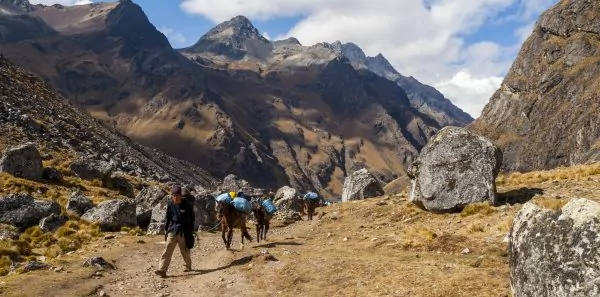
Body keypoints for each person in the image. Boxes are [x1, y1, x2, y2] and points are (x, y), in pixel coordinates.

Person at [155, 185, 195, 278]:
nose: (175, 197)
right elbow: (168, 218)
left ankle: (188, 265)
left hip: (184, 232)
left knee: (185, 251)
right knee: (167, 250)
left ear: (180, 195)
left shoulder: (187, 204)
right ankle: (162, 270)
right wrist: (166, 230)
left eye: (177, 195)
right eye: (173, 195)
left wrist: (191, 231)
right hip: (172, 230)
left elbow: (192, 218)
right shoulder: (170, 204)